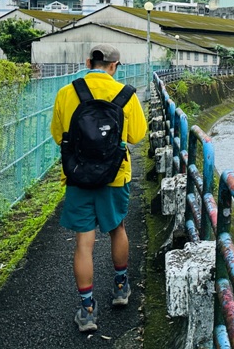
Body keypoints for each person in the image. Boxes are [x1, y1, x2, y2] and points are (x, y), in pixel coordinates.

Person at [51, 44, 148, 332]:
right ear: (115, 65)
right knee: (118, 228)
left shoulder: (67, 92)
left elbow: (59, 136)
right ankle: (120, 288)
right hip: (115, 177)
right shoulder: (126, 95)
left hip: (78, 176)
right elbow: (137, 136)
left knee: (84, 241)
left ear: (88, 62)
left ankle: (88, 309)